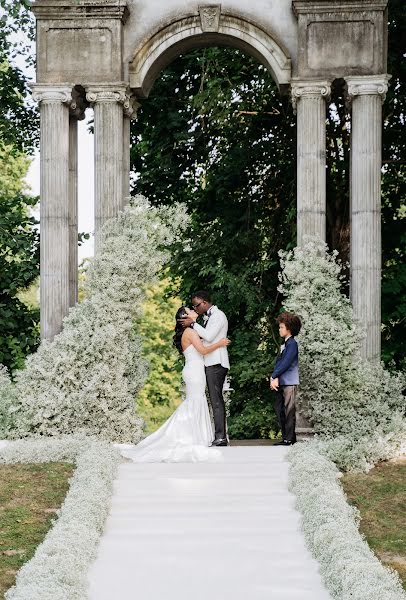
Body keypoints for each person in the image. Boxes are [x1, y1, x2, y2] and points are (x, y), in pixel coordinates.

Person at [120, 306, 230, 462]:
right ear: (185, 317)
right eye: (190, 310)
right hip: (194, 371)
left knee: (195, 401)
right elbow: (203, 350)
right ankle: (186, 435)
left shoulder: (191, 331)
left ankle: (194, 435)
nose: (193, 310)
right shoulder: (190, 332)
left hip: (194, 369)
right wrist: (220, 343)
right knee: (195, 401)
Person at [180, 291, 230, 446]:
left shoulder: (218, 316)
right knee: (215, 400)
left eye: (197, 305)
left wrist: (193, 324)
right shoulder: (210, 316)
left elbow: (208, 336)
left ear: (205, 302)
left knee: (216, 400)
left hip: (216, 362)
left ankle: (221, 437)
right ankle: (219, 435)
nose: (196, 308)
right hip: (209, 362)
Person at [270, 312, 302, 446]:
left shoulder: (292, 344)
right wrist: (275, 377)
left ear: (289, 328)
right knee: (280, 409)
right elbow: (279, 363)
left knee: (289, 411)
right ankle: (286, 437)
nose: (279, 329)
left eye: (281, 327)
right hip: (283, 381)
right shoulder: (286, 344)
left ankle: (289, 438)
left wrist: (273, 376)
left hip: (289, 382)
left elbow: (286, 363)